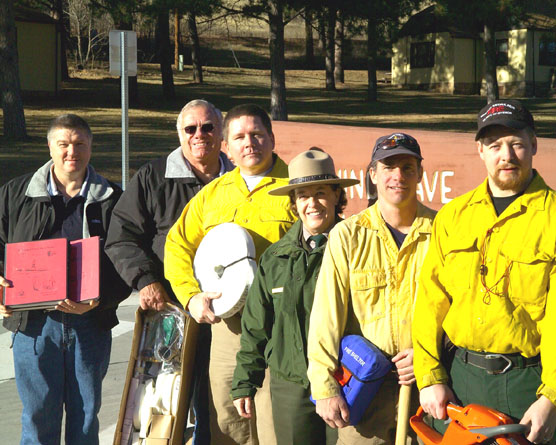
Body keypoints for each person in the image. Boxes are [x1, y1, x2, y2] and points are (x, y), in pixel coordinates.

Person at [413, 99, 556, 445]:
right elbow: (430, 301)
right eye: (495, 146)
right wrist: (429, 376)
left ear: (534, 145)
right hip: (459, 382)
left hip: (527, 386)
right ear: (480, 151)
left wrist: (551, 397)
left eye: (516, 143)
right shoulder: (453, 217)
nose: (506, 155)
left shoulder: (552, 221)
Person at [165, 103, 296, 445]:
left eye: (256, 135)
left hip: (280, 326)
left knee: (273, 422)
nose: (248, 143)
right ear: (226, 145)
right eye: (239, 137)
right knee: (227, 418)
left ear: (272, 138)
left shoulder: (295, 187)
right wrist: (191, 297)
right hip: (228, 326)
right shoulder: (214, 194)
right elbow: (177, 244)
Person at [105, 99, 233, 443]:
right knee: (166, 407)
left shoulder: (239, 179)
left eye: (207, 127)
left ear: (221, 132)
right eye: (190, 128)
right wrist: (146, 281)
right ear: (179, 134)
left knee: (220, 406)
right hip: (172, 312)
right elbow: (121, 238)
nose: (199, 135)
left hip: (230, 312)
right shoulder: (152, 178)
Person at [0, 114, 130, 445]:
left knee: (85, 417)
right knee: (37, 416)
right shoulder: (16, 195)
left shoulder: (113, 199)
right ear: (50, 147)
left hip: (90, 325)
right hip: (33, 326)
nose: (71, 151)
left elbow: (127, 257)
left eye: (79, 144)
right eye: (63, 144)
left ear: (91, 147)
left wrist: (100, 301)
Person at [307, 133, 435, 444]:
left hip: (428, 391)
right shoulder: (346, 236)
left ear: (420, 173)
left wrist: (428, 356)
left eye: (407, 167)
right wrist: (324, 387)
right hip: (366, 394)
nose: (398, 176)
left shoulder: (443, 231)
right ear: (372, 174)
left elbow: (458, 310)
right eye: (388, 166)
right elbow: (325, 318)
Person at [230, 148, 358, 445]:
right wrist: (244, 383)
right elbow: (255, 327)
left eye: (321, 193)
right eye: (303, 195)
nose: (312, 203)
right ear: (294, 203)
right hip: (290, 385)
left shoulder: (357, 249)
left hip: (347, 381)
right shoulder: (275, 258)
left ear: (338, 196)